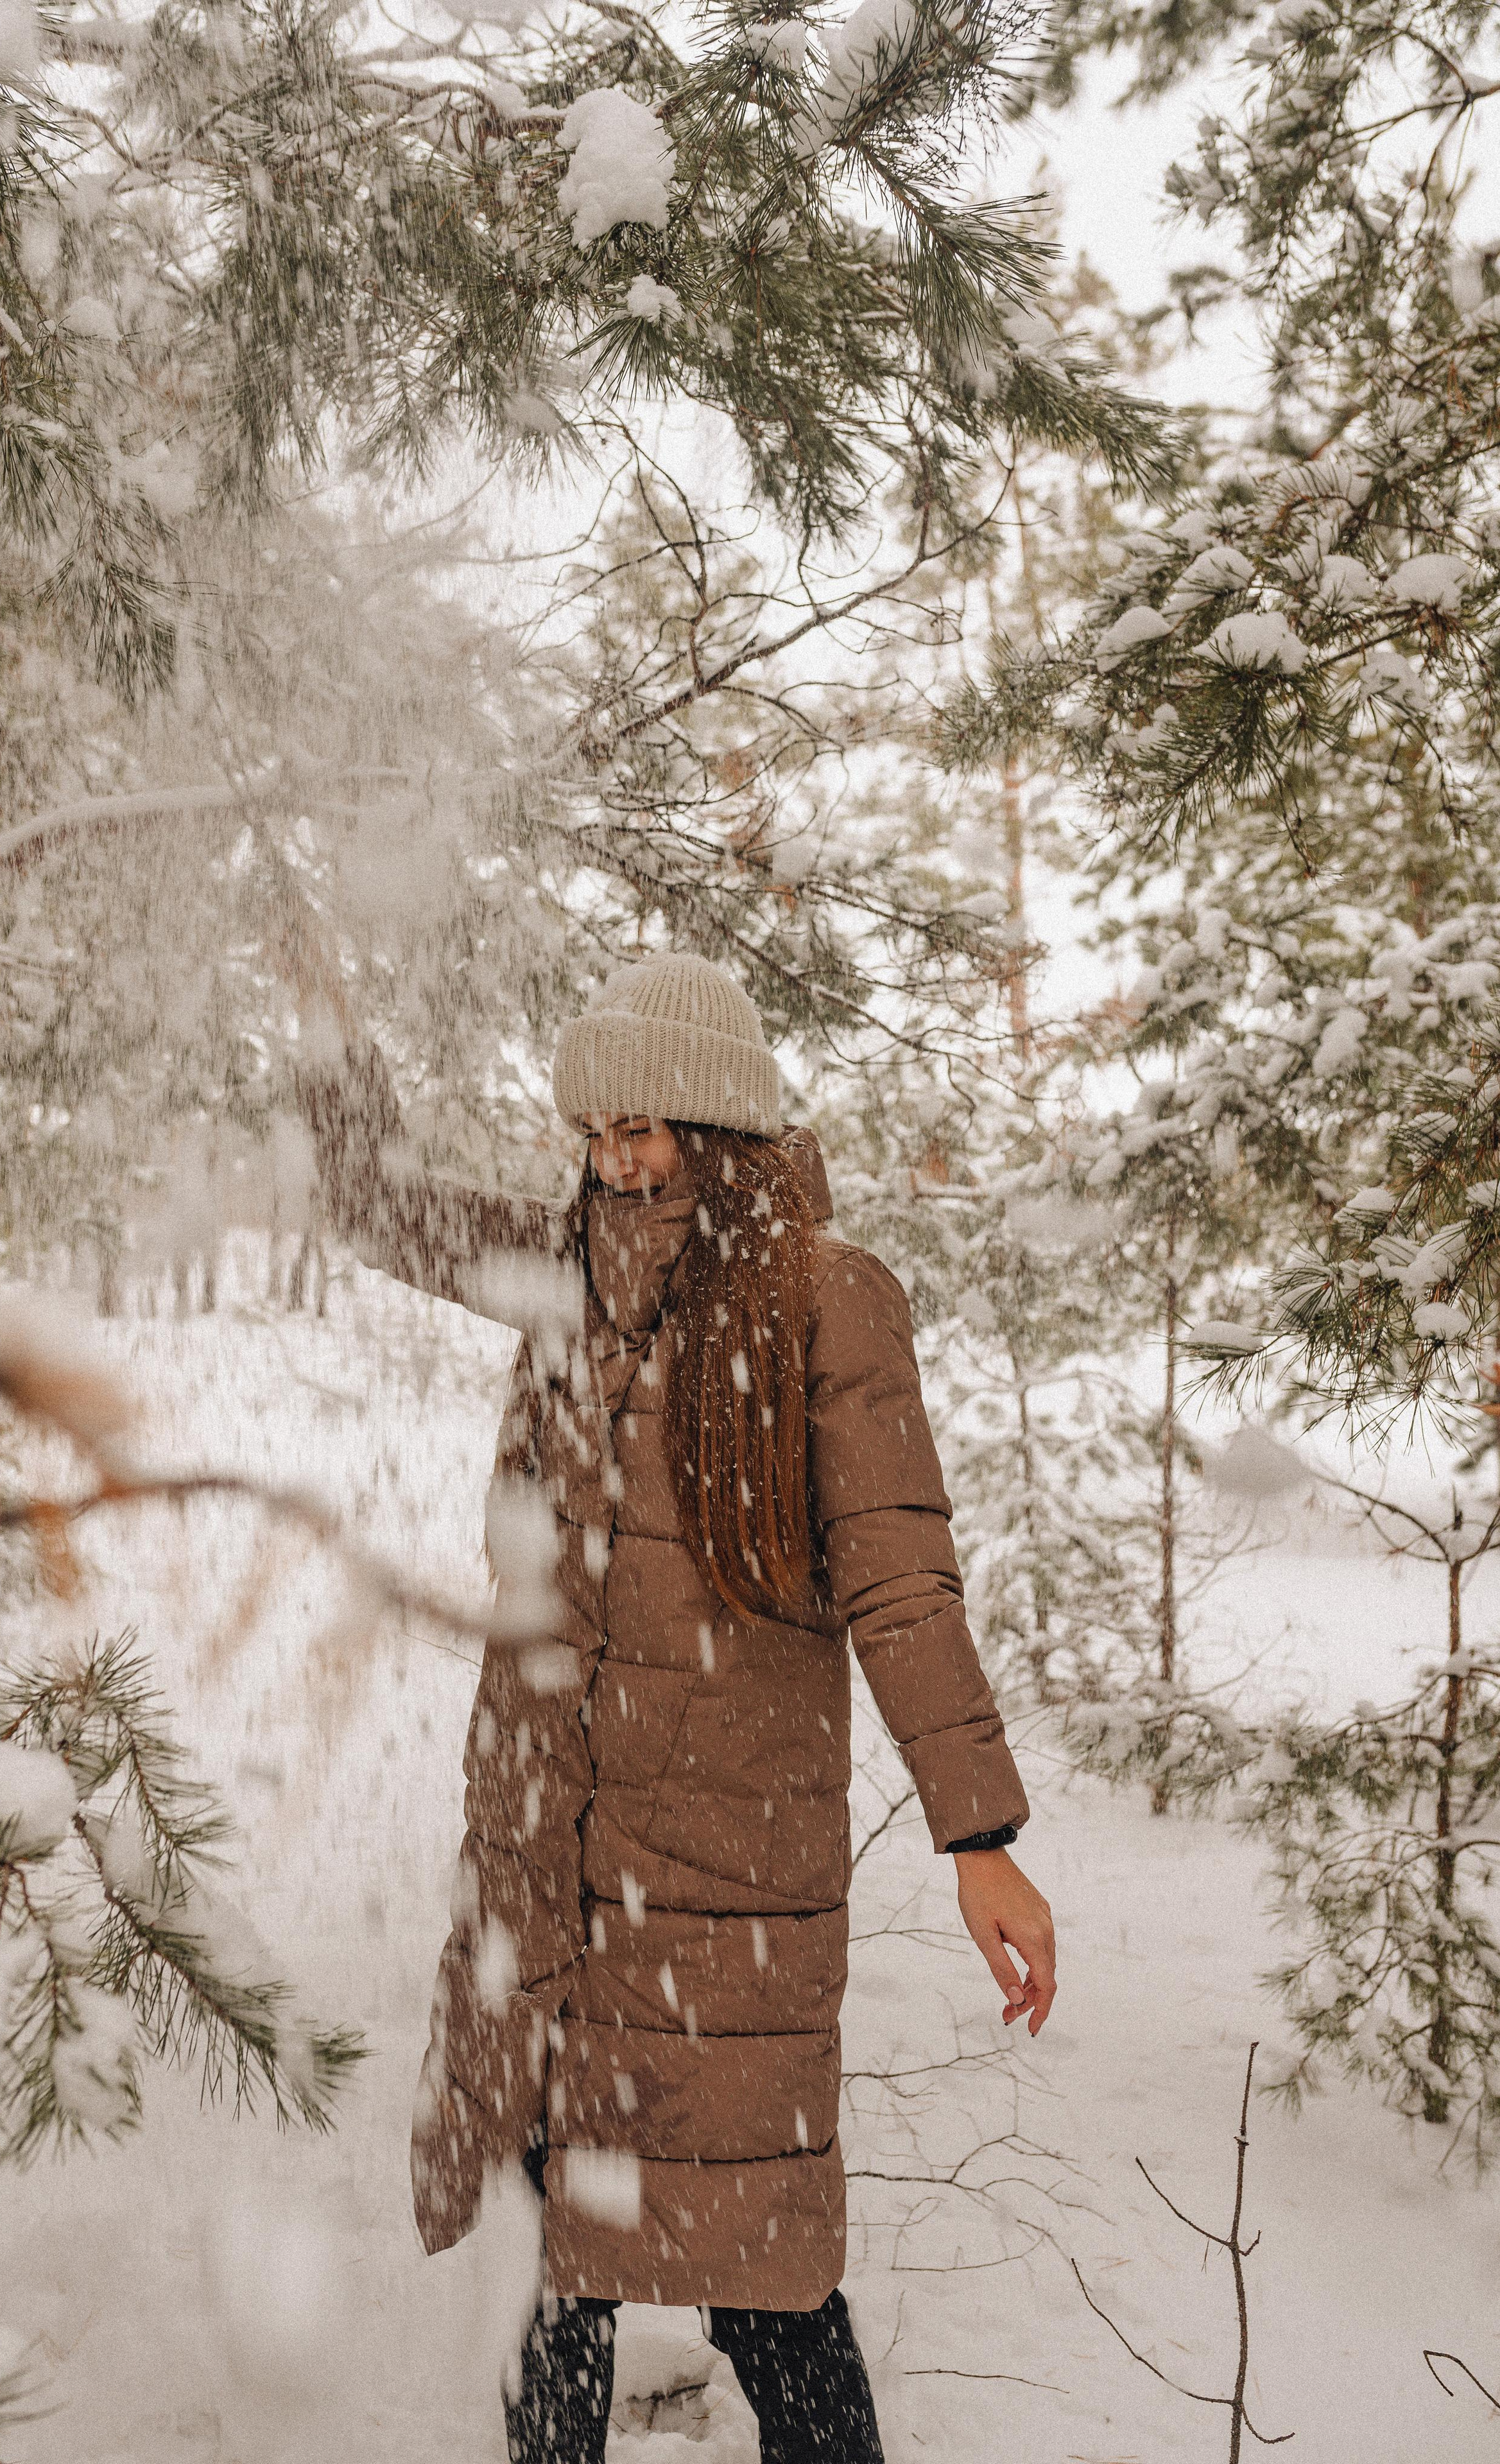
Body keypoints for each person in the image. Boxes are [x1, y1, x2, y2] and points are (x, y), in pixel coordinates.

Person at [298, 951, 1055, 2463]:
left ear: (717, 1126)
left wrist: (978, 1836)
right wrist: (327, 1044)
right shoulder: (568, 1270)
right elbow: (384, 1211)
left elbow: (902, 1581)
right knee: (550, 2268)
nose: (612, 1160)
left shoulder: (826, 1300)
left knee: (767, 2278)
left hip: (723, 1889)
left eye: (640, 1128)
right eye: (593, 1131)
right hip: (549, 1864)